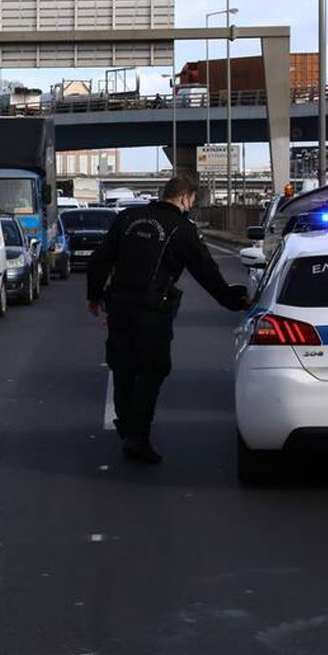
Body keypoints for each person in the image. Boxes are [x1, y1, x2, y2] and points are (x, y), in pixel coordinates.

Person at [85, 173, 249, 464]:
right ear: (185, 198)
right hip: (152, 312)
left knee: (123, 368)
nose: (191, 206)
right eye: (192, 201)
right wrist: (233, 301)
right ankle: (137, 436)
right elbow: (206, 272)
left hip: (119, 307)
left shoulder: (127, 218)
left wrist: (94, 295)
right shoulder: (182, 229)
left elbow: (100, 260)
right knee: (152, 370)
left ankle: (127, 424)